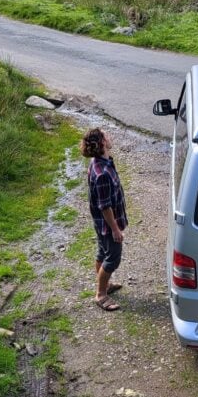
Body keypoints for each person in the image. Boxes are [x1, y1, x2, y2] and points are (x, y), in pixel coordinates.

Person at [81, 127, 127, 311]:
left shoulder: (102, 162)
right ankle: (101, 294)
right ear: (102, 144)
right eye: (106, 136)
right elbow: (105, 206)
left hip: (101, 224)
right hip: (107, 224)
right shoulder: (102, 174)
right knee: (113, 258)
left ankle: (104, 285)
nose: (109, 137)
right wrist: (115, 229)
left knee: (102, 252)